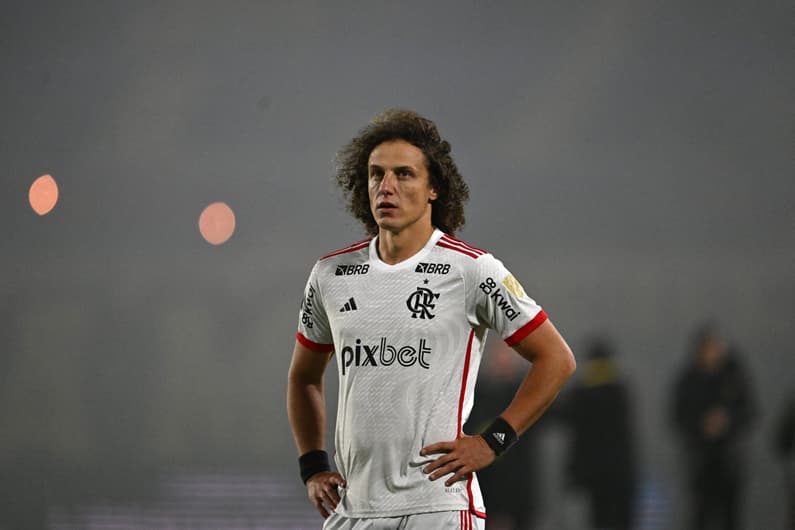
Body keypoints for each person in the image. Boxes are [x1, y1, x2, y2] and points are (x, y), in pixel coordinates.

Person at [287, 109, 576, 530]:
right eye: (376, 174)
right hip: (353, 510)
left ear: (434, 189)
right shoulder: (330, 275)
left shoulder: (472, 270)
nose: (386, 187)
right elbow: (303, 377)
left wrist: (492, 442)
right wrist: (312, 467)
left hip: (437, 506)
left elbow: (556, 359)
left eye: (404, 174)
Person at [670, 324, 756, 530]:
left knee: (731, 516)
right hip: (701, 458)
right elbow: (678, 415)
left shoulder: (733, 374)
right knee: (700, 514)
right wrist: (702, 425)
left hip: (729, 457)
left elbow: (748, 410)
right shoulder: (689, 378)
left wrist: (727, 421)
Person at [560, 338, 637, 530]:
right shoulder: (620, 392)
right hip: (619, 474)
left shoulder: (581, 395)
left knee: (599, 520)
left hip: (593, 476)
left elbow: (560, 415)